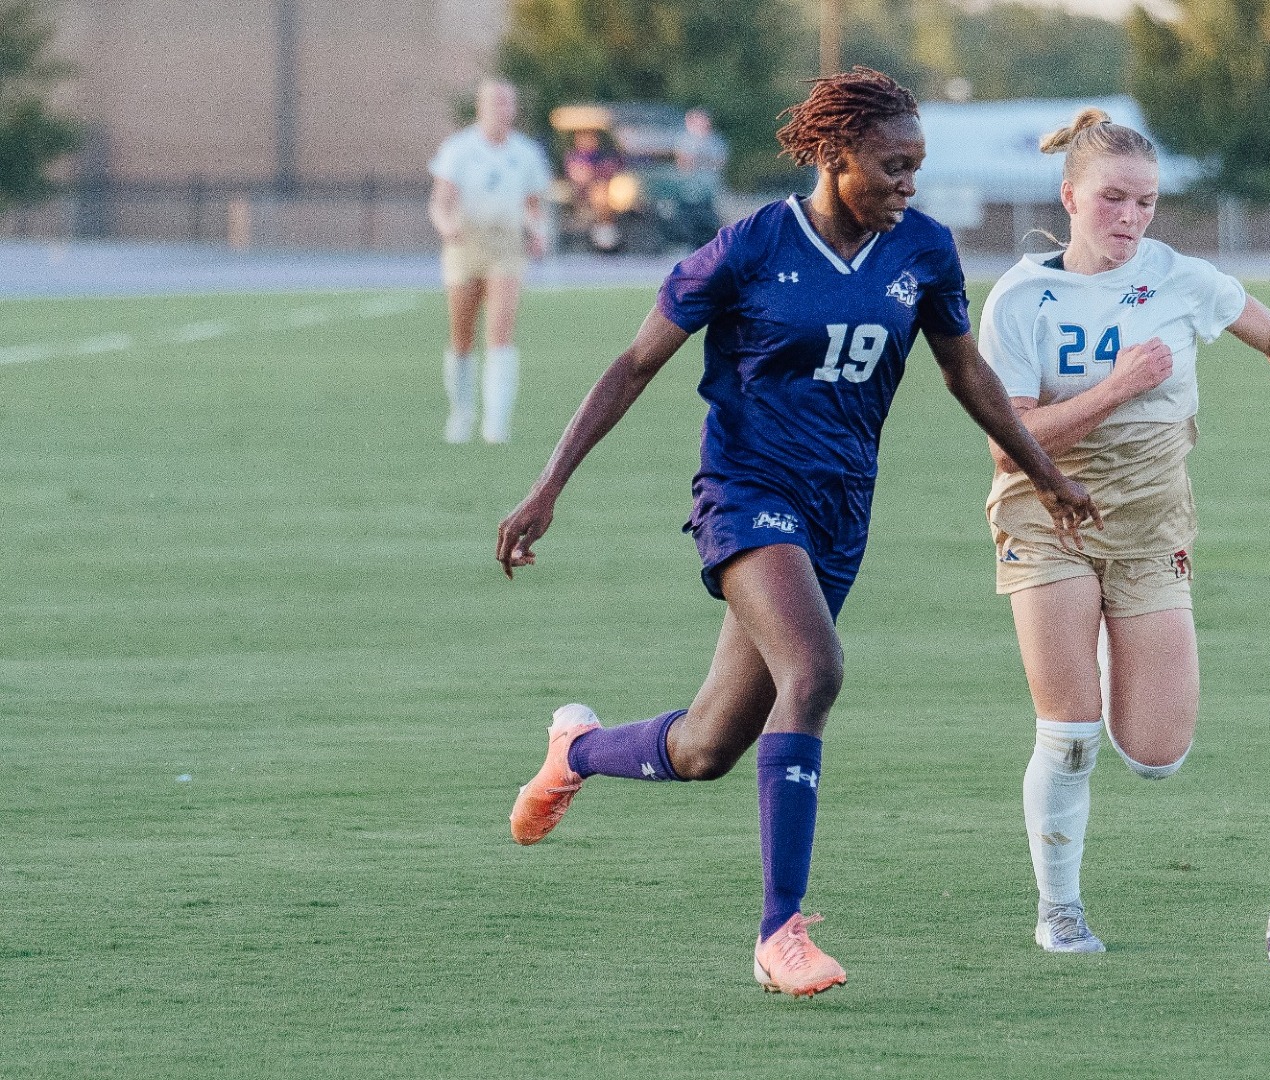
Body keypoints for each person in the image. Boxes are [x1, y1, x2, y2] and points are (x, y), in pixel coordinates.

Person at [495, 68, 1100, 998]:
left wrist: (1046, 471)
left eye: (918, 167)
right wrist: (546, 488)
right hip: (745, 495)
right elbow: (632, 365)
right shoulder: (749, 248)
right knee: (814, 673)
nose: (910, 184)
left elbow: (965, 372)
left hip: (839, 515)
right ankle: (780, 933)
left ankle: (574, 751)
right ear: (835, 155)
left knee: (705, 749)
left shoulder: (925, 252)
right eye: (893, 166)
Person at [977, 109, 1270, 953]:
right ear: (1070, 197)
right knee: (1070, 736)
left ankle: (1113, 642)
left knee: (1155, 752)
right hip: (1047, 516)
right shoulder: (1021, 300)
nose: (1131, 219)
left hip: (1149, 527)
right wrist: (1116, 387)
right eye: (1113, 199)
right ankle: (1059, 909)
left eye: (1146, 202)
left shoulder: (1184, 280)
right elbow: (1008, 446)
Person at [428, 78, 552, 444]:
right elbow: (440, 202)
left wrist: (538, 231)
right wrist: (446, 225)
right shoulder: (459, 150)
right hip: (465, 246)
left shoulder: (525, 153)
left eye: (508, 103)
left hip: (506, 248)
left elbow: (533, 205)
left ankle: (496, 424)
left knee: (500, 330)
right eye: (496, 103)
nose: (503, 110)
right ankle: (461, 414)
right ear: (481, 107)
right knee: (462, 334)